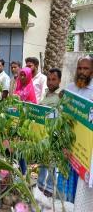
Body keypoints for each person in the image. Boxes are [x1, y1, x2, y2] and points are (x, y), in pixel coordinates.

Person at [67, 56, 93, 211]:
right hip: (71, 150)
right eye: (79, 68)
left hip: (87, 153)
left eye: (86, 68)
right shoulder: (70, 89)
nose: (82, 72)